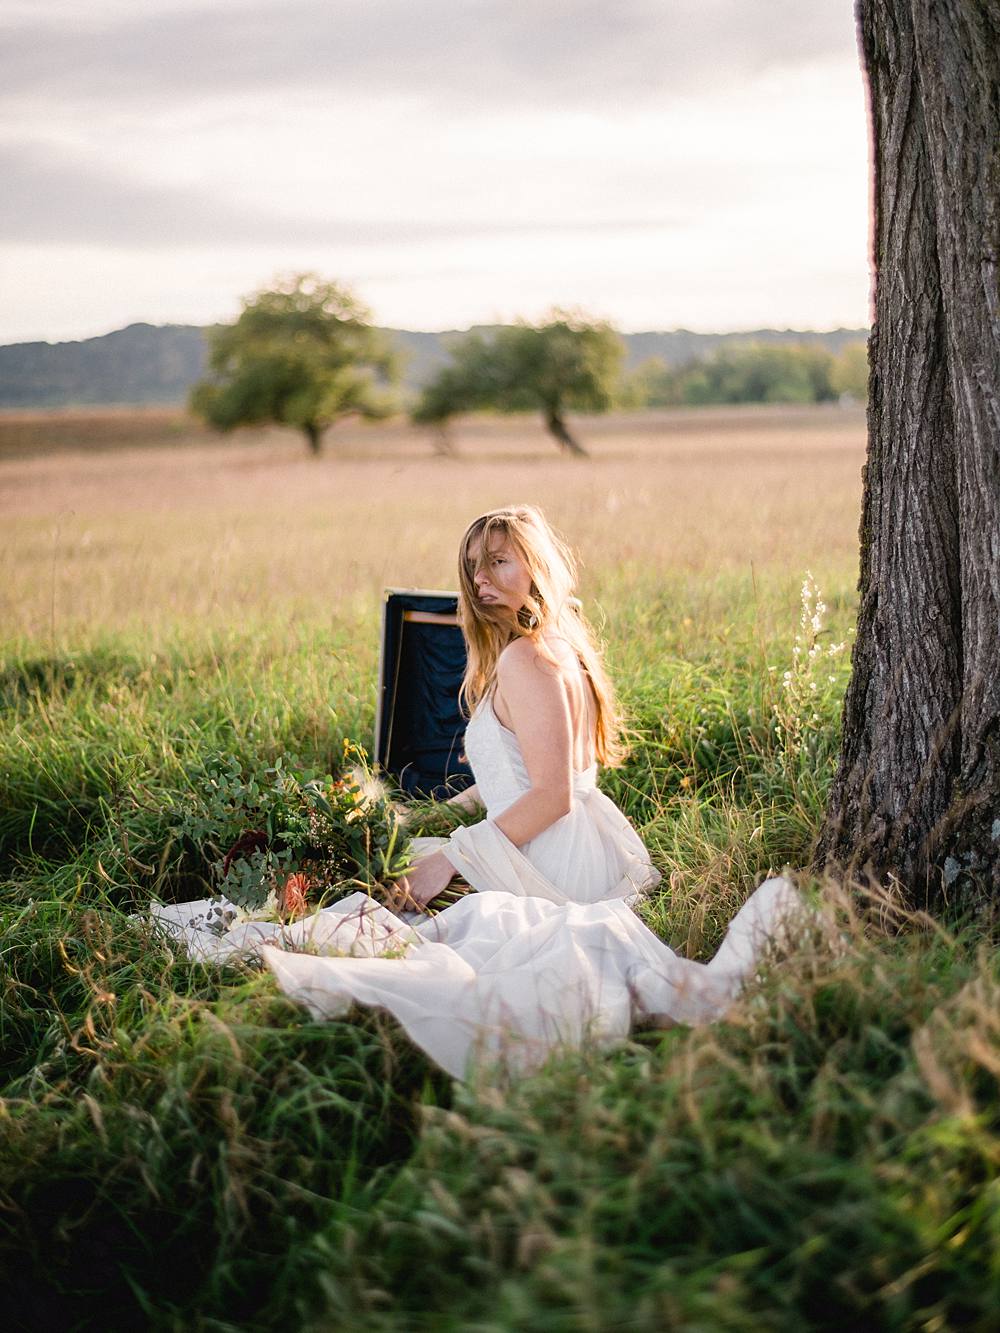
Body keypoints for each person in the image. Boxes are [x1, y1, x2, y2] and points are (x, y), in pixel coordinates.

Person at [257, 505, 803, 1080]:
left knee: (383, 906)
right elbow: (510, 780)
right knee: (388, 874)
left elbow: (551, 797)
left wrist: (450, 858)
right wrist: (422, 816)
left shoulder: (527, 657)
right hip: (564, 842)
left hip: (552, 855)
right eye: (472, 567)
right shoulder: (556, 647)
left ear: (536, 566)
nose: (479, 580)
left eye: (497, 562)